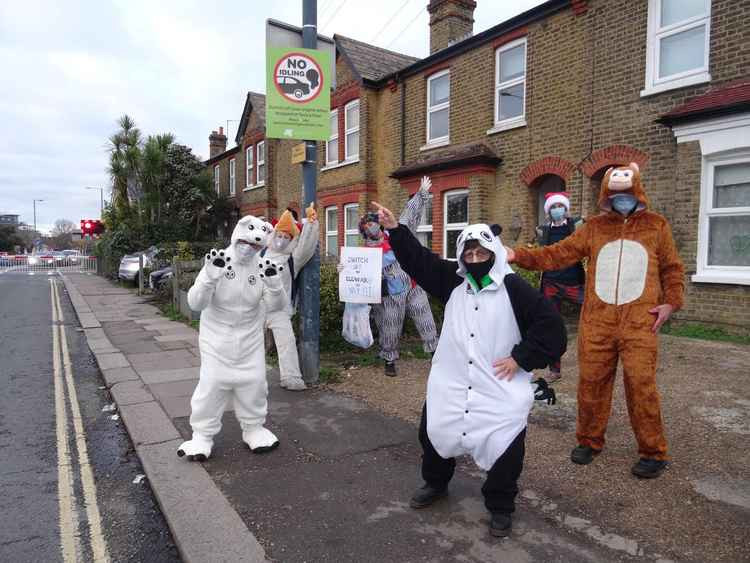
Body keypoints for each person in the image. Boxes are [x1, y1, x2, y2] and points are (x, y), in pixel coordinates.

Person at [372, 200, 567, 537]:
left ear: (493, 253)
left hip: (498, 384)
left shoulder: (513, 287)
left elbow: (551, 328)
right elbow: (421, 262)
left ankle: (501, 506)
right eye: (469, 256)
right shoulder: (454, 282)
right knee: (434, 431)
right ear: (462, 257)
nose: (476, 261)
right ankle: (435, 483)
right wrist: (395, 231)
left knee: (505, 445)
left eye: (482, 255)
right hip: (452, 380)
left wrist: (521, 358)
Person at [507, 162, 684, 478]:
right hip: (598, 322)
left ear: (637, 191)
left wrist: (670, 303)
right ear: (606, 195)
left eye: (628, 193)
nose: (622, 199)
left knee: (642, 385)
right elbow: (557, 254)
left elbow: (672, 269)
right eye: (616, 194)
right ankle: (589, 440)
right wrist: (517, 255)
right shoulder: (594, 228)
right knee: (591, 384)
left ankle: (653, 451)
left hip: (639, 322)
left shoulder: (657, 226)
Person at [177, 215, 286, 461]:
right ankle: (202, 436)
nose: (250, 248)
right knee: (212, 384)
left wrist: (274, 284)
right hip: (217, 339)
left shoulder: (263, 266)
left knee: (255, 382)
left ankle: (254, 428)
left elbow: (277, 306)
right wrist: (209, 276)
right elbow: (195, 303)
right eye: (246, 242)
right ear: (236, 236)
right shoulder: (219, 260)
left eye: (256, 245)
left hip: (250, 339)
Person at [358, 190, 438, 376]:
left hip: (413, 285)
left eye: (373, 222)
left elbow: (408, 218)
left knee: (426, 319)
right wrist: (344, 269)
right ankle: (389, 359)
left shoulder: (394, 235)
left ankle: (435, 352)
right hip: (391, 294)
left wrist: (421, 195)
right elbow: (356, 271)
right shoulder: (364, 252)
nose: (372, 226)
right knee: (390, 327)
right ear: (363, 229)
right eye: (368, 224)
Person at [263, 204, 320, 391]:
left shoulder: (291, 259)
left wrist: (311, 223)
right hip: (256, 308)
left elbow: (306, 246)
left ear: (291, 239)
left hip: (280, 310)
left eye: (286, 237)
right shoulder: (261, 253)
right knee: (248, 343)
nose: (281, 240)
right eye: (279, 235)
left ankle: (291, 376)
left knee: (286, 343)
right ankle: (239, 376)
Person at [535, 191, 585, 383]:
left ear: (566, 208)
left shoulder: (577, 225)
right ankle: (554, 370)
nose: (557, 210)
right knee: (552, 325)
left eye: (560, 206)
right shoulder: (542, 230)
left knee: (595, 313)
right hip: (551, 283)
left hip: (574, 282)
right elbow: (541, 254)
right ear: (548, 211)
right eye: (554, 207)